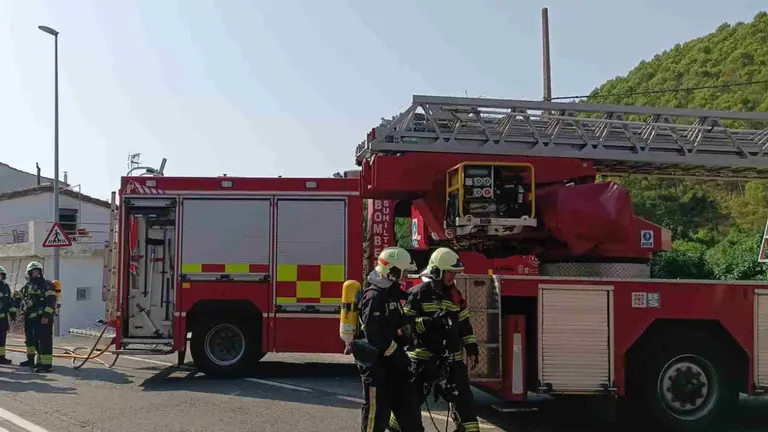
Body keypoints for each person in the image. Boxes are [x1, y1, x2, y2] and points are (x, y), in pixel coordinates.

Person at [400, 247, 481, 432]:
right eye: (450, 272)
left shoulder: (455, 296)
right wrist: (430, 322)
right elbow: (405, 327)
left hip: (452, 359)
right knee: (408, 404)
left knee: (465, 404)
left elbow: (464, 324)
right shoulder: (417, 294)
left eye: (455, 273)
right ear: (437, 272)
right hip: (422, 359)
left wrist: (472, 347)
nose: (453, 277)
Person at [353, 247, 425, 432]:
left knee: (410, 415)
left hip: (394, 367)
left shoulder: (390, 292)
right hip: (377, 368)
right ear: (391, 271)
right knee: (376, 417)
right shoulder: (374, 297)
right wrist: (399, 355)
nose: (403, 276)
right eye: (401, 272)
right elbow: (376, 338)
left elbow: (396, 320)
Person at [17, 261, 57, 372]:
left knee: (44, 341)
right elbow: (24, 302)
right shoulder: (27, 286)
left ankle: (45, 365)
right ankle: (31, 360)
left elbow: (51, 302)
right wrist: (22, 313)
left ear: (40, 272)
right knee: (31, 340)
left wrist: (46, 315)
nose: (35, 274)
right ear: (29, 273)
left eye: (37, 271)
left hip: (43, 318)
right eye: (33, 272)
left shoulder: (47, 285)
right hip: (30, 318)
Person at [0, 266, 15, 365]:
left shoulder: (5, 287)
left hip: (2, 319)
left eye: (0, 275)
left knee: (2, 339)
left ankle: (1, 357)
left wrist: (12, 314)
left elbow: (10, 302)